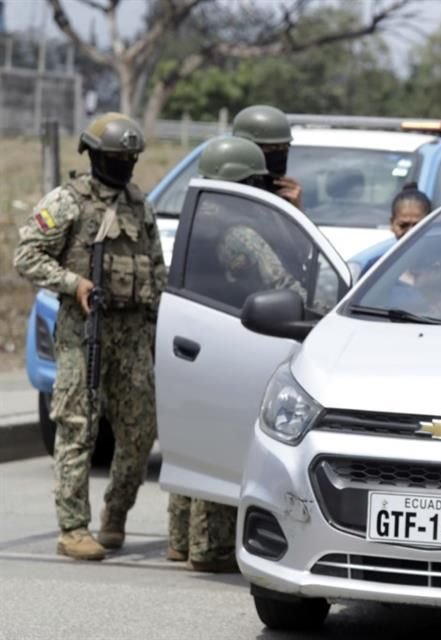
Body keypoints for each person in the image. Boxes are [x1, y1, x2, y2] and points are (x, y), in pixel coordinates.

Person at [13, 113, 165, 561]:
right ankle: (73, 527)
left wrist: (159, 323)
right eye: (117, 158)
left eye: (130, 159)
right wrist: (71, 283)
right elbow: (27, 254)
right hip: (84, 330)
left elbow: (155, 269)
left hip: (133, 334)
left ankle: (114, 515)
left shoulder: (140, 205)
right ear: (96, 156)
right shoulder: (68, 201)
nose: (125, 167)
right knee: (77, 426)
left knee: (140, 433)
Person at [166, 135, 306, 573]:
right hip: (241, 335)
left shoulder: (205, 216)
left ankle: (182, 540)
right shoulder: (243, 231)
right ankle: (209, 548)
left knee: (197, 442)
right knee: (228, 444)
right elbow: (292, 288)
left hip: (203, 335)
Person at [348, 183, 432, 278]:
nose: (411, 231)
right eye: (403, 225)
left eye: (418, 225)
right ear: (392, 224)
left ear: (431, 224)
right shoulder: (377, 268)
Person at [232, 104, 303, 210]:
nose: (281, 153)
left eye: (285, 147)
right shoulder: (223, 191)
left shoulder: (281, 192)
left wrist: (294, 209)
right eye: (273, 147)